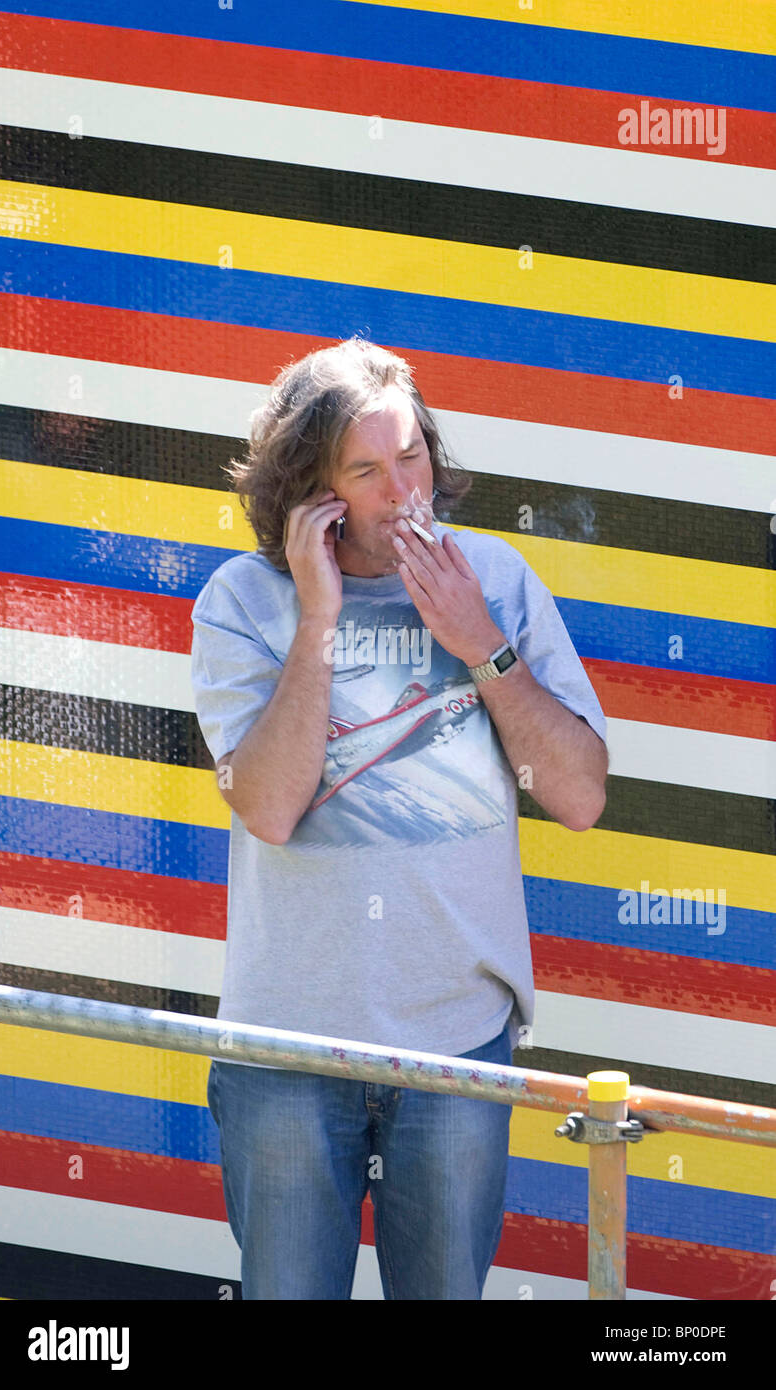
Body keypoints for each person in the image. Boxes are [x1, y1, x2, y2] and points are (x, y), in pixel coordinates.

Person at [190, 335, 608, 1300]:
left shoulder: (496, 581)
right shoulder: (242, 602)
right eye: (368, 471)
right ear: (307, 490)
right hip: (285, 1049)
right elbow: (269, 808)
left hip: (456, 1044)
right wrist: (320, 620)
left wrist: (483, 647)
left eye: (412, 455)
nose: (403, 490)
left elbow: (579, 797)